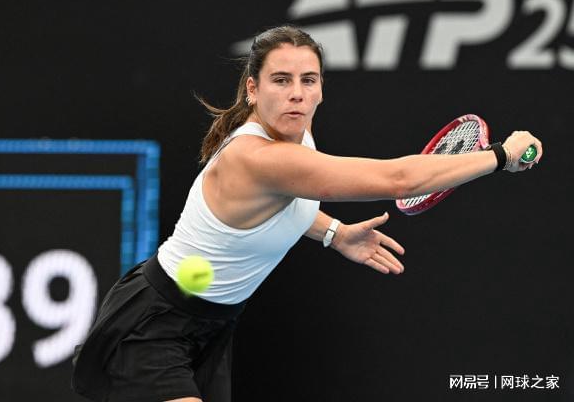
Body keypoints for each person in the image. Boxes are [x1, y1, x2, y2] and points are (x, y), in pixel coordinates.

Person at [71, 25, 543, 402]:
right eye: (281, 80)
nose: (296, 94)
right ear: (253, 90)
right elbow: (399, 179)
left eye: (308, 80)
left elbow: (275, 210)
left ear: (320, 90)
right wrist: (500, 155)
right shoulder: (258, 158)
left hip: (212, 327)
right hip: (154, 327)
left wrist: (334, 233)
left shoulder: (296, 137)